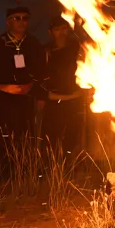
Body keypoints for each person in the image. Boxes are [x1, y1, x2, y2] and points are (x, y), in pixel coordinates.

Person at [0, 6, 47, 168]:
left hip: (26, 98)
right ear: (8, 21)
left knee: (24, 135)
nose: (22, 22)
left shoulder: (33, 44)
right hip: (3, 98)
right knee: (2, 135)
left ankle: (22, 170)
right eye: (17, 18)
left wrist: (39, 94)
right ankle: (1, 172)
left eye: (25, 18)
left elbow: (41, 71)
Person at [39, 17, 85, 156]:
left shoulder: (77, 48)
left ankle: (69, 168)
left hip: (74, 99)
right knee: (50, 137)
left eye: (64, 28)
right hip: (54, 100)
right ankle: (49, 170)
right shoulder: (46, 51)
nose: (61, 32)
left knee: (72, 136)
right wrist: (42, 97)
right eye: (57, 29)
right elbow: (40, 76)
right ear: (50, 32)